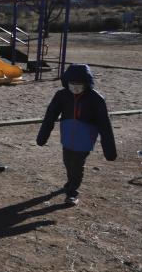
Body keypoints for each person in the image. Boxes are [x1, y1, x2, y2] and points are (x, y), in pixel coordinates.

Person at [36, 64, 117, 204]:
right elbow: (50, 115)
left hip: (85, 137)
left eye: (79, 84)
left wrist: (109, 151)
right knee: (68, 162)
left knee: (77, 164)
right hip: (67, 136)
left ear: (86, 83)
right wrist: (42, 137)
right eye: (72, 83)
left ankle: (72, 192)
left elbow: (105, 124)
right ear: (66, 82)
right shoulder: (61, 95)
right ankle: (71, 182)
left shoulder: (96, 99)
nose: (75, 87)